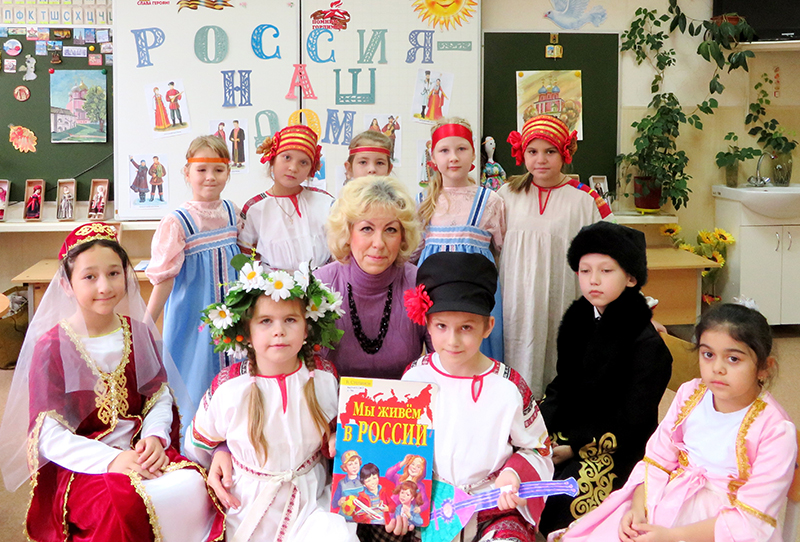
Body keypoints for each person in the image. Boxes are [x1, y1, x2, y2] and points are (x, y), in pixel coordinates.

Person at [0, 223, 224, 542]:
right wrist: (112, 460)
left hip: (139, 447)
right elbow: (47, 435)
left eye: (114, 273)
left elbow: (157, 397)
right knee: (123, 504)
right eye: (90, 277)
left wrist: (155, 437)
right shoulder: (52, 347)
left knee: (193, 484)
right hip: (85, 462)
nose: (104, 286)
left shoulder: (138, 333)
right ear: (66, 284)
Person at [549, 302, 797, 542]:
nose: (717, 368)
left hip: (719, 529)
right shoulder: (691, 393)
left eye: (733, 359)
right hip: (665, 500)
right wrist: (638, 509)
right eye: (708, 354)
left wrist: (671, 537)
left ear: (764, 367)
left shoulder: (775, 430)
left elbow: (752, 520)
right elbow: (656, 461)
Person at [184, 260, 357, 542]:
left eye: (290, 320)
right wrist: (221, 450)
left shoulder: (324, 378)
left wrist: (337, 441)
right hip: (247, 504)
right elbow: (197, 444)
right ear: (247, 331)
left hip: (310, 501)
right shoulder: (229, 387)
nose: (279, 331)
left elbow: (336, 432)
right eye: (266, 321)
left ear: (307, 328)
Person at [402, 252, 554, 542]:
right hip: (431, 507)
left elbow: (539, 449)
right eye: (441, 326)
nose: (453, 340)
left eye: (466, 327)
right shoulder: (414, 378)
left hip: (492, 507)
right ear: (427, 324)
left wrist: (514, 474)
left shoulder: (508, 385)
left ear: (488, 327)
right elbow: (396, 446)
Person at [537, 222, 672, 535]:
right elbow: (562, 384)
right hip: (573, 430)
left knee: (562, 498)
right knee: (522, 468)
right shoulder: (579, 319)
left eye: (606, 271)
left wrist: (575, 445)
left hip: (617, 445)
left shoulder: (647, 345)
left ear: (631, 278)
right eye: (585, 271)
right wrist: (537, 428)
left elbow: (633, 418)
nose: (593, 280)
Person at [499, 114, 613, 397]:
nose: (541, 160)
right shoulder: (505, 195)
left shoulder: (586, 199)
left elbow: (614, 256)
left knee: (559, 368)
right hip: (516, 303)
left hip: (561, 301)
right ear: (522, 153)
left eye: (550, 151)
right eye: (532, 151)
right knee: (515, 369)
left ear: (564, 153)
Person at [146, 136, 241, 412]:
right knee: (194, 377)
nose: (210, 177)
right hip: (193, 317)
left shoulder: (233, 213)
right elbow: (165, 279)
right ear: (187, 173)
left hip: (233, 314)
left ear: (228, 173)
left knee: (236, 378)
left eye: (218, 169)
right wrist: (146, 324)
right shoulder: (177, 222)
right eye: (201, 169)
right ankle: (192, 430)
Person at [315, 176, 426, 380]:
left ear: (403, 236)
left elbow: (442, 363)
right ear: (348, 233)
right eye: (367, 228)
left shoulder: (419, 284)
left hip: (404, 399)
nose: (379, 243)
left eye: (390, 230)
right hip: (332, 399)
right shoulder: (321, 285)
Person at [417, 117, 506, 361]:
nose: (453, 157)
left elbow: (502, 251)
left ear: (474, 154)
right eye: (444, 151)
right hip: (435, 294)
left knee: (477, 349)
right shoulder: (422, 202)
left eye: (461, 149)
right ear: (433, 158)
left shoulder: (490, 201)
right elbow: (413, 254)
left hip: (476, 291)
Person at [240, 123, 332, 270]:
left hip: (324, 282)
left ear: (311, 169)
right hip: (272, 284)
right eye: (287, 157)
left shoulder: (325, 202)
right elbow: (244, 259)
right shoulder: (255, 208)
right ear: (272, 159)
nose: (293, 168)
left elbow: (341, 251)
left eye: (303, 162)